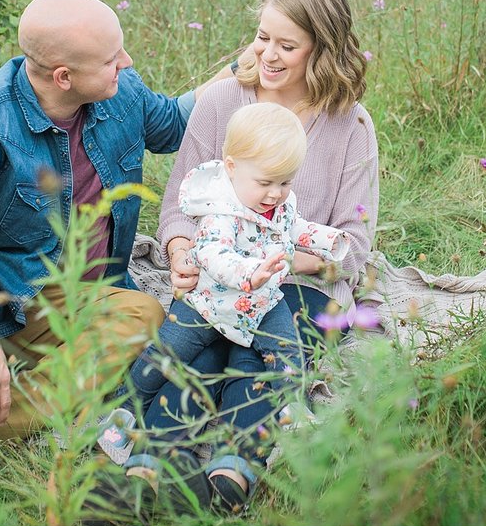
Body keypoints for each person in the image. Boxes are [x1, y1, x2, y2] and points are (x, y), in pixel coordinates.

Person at [90, 0, 379, 522]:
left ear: (324, 51)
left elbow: (355, 242)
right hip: (219, 265)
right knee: (201, 344)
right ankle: (152, 468)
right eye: (263, 36)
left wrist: (280, 262)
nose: (267, 53)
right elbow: (179, 203)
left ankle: (228, 473)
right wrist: (178, 254)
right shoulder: (223, 101)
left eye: (287, 45)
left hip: (297, 277)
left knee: (257, 354)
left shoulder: (350, 126)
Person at [0, 0, 205, 478]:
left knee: (141, 311)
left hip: (75, 295)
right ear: (64, 77)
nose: (127, 61)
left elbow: (176, 124)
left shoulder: (122, 92)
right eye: (111, 58)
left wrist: (255, 63)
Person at [101, 103, 348, 452]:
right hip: (207, 303)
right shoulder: (220, 214)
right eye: (265, 183)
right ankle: (123, 413)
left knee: (286, 348)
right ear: (232, 168)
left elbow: (295, 227)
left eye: (285, 182)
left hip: (260, 303)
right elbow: (212, 256)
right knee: (166, 356)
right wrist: (251, 272)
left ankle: (291, 406)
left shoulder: (279, 203)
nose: (275, 193)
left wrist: (327, 241)